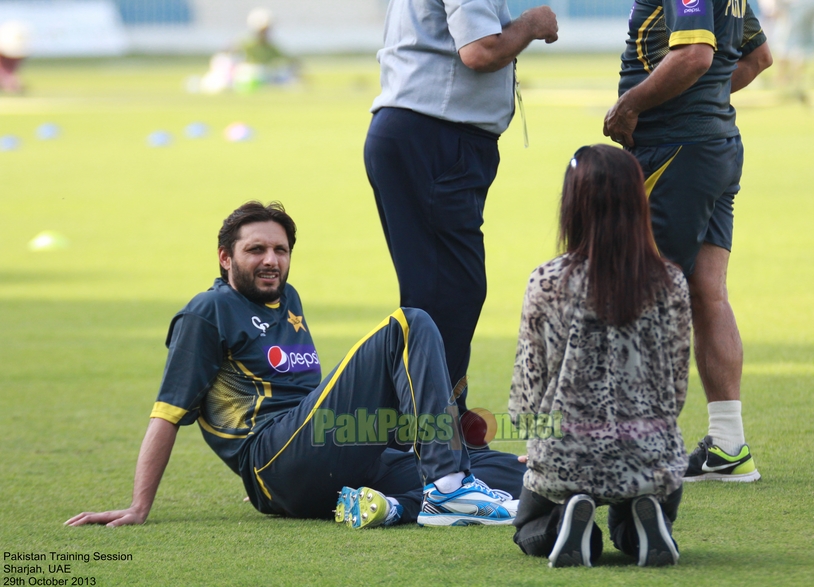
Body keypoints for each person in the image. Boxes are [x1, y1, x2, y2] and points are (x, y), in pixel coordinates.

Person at [65, 201, 525, 530]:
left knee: (506, 471)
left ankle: (399, 504)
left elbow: (298, 395)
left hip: (322, 457)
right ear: (226, 258)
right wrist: (138, 505)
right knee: (409, 323)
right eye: (256, 250)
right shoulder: (208, 311)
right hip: (275, 459)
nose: (271, 261)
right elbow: (167, 412)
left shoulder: (289, 300)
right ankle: (446, 491)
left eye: (280, 250)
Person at [603, 0, 773, 483]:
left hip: (675, 150)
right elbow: (756, 58)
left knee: (641, 293)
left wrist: (631, 104)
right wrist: (704, 100)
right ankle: (728, 446)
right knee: (707, 293)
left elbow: (695, 55)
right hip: (715, 145)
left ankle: (637, 447)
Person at [363, 1, 559, 414]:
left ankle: (428, 419)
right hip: (435, 135)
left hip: (423, 133)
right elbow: (480, 50)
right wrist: (532, 24)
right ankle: (432, 429)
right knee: (450, 291)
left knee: (437, 291)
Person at [508, 145, 691, 568]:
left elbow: (528, 387)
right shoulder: (670, 282)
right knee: (642, 503)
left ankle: (569, 527)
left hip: (566, 453)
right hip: (649, 453)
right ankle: (641, 522)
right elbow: (676, 385)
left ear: (573, 205)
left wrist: (536, 438)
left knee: (528, 529)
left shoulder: (547, 281)